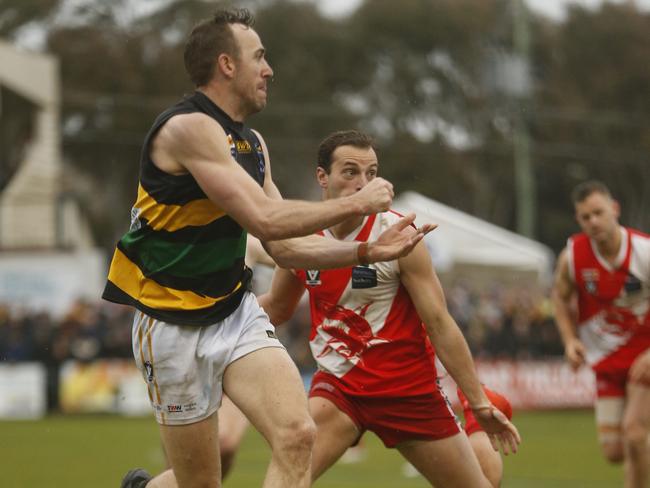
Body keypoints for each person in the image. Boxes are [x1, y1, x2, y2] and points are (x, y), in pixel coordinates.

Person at [103, 9, 434, 488]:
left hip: (233, 312)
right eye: (258, 57)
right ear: (227, 65)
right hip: (170, 322)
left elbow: (285, 247)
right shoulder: (188, 128)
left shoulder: (252, 143)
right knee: (201, 482)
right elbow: (261, 217)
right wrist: (359, 201)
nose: (269, 69)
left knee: (299, 433)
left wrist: (367, 252)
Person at [256, 129, 520, 487]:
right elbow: (277, 307)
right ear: (323, 177)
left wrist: (477, 402)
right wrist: (213, 315)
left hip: (408, 392)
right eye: (350, 172)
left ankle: (476, 424)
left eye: (371, 173)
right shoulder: (301, 238)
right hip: (339, 390)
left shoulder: (398, 235)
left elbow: (440, 323)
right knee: (291, 462)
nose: (362, 183)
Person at [552, 180, 650, 488]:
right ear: (578, 220)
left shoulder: (644, 251)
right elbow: (559, 297)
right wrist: (570, 341)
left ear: (614, 209)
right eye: (585, 217)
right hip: (606, 361)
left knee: (635, 433)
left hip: (644, 357)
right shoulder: (572, 256)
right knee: (615, 451)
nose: (593, 222)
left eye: (598, 213)